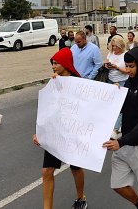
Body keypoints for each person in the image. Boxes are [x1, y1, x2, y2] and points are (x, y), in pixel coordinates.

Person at [102, 45, 138, 209]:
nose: (128, 69)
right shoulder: (128, 84)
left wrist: (121, 141)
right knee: (117, 184)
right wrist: (115, 94)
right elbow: (121, 111)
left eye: (131, 66)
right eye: (126, 66)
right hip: (124, 145)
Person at [32, 47, 88, 209]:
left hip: (72, 133)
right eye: (52, 63)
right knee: (46, 171)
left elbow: (89, 108)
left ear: (65, 64)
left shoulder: (80, 84)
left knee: (75, 168)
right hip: (55, 133)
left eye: (56, 63)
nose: (53, 66)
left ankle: (80, 198)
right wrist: (39, 132)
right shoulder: (53, 82)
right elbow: (46, 109)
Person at [105, 37, 129, 139]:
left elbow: (128, 70)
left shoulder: (126, 55)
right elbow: (106, 61)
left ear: (121, 46)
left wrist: (117, 67)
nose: (114, 48)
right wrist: (107, 65)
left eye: (116, 46)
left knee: (120, 106)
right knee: (111, 105)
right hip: (110, 80)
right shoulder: (110, 53)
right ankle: (113, 125)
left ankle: (115, 129)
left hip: (122, 81)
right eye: (113, 46)